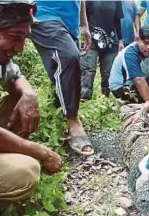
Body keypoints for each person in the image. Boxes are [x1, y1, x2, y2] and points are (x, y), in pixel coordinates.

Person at [0, 1, 62, 215]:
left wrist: (29, 94)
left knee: (17, 103)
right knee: (24, 172)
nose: (19, 48)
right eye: (14, 36)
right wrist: (40, 152)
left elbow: (15, 76)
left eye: (24, 39)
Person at [30, 0, 94, 155]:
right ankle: (73, 121)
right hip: (43, 15)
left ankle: (56, 117)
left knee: (61, 70)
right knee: (70, 57)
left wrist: (84, 24)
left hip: (70, 24)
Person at [81, 1, 124, 100]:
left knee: (108, 74)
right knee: (88, 71)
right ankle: (84, 101)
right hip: (91, 40)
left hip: (111, 42)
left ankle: (106, 102)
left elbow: (117, 21)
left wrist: (121, 40)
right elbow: (83, 18)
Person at [109, 25, 149, 103]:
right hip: (120, 87)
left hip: (135, 82)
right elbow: (139, 81)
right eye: (146, 43)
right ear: (137, 40)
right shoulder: (130, 53)